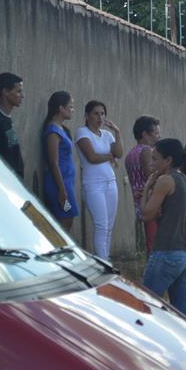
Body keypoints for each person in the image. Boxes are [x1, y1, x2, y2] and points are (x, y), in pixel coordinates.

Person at [140, 139, 186, 317]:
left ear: (168, 161)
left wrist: (146, 189)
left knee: (144, 308)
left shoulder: (165, 180)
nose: (151, 163)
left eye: (155, 159)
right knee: (182, 317)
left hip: (167, 253)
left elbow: (146, 215)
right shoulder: (185, 180)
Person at [75, 100, 123, 261]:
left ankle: (105, 258)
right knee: (101, 226)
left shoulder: (108, 135)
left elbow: (119, 153)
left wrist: (117, 132)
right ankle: (103, 262)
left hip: (110, 182)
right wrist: (110, 157)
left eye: (102, 113)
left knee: (109, 226)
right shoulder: (82, 132)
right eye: (96, 113)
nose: (100, 117)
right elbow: (92, 157)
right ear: (87, 116)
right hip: (93, 185)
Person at [41, 91, 78, 231]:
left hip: (67, 183)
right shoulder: (52, 131)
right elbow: (53, 163)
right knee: (64, 219)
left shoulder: (61, 129)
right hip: (59, 185)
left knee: (68, 217)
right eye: (71, 106)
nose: (72, 110)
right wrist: (62, 190)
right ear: (61, 108)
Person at [125, 115, 161, 254]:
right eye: (156, 133)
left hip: (140, 202)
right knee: (156, 243)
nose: (159, 136)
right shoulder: (147, 151)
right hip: (152, 202)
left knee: (150, 241)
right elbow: (150, 176)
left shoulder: (131, 154)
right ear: (145, 134)